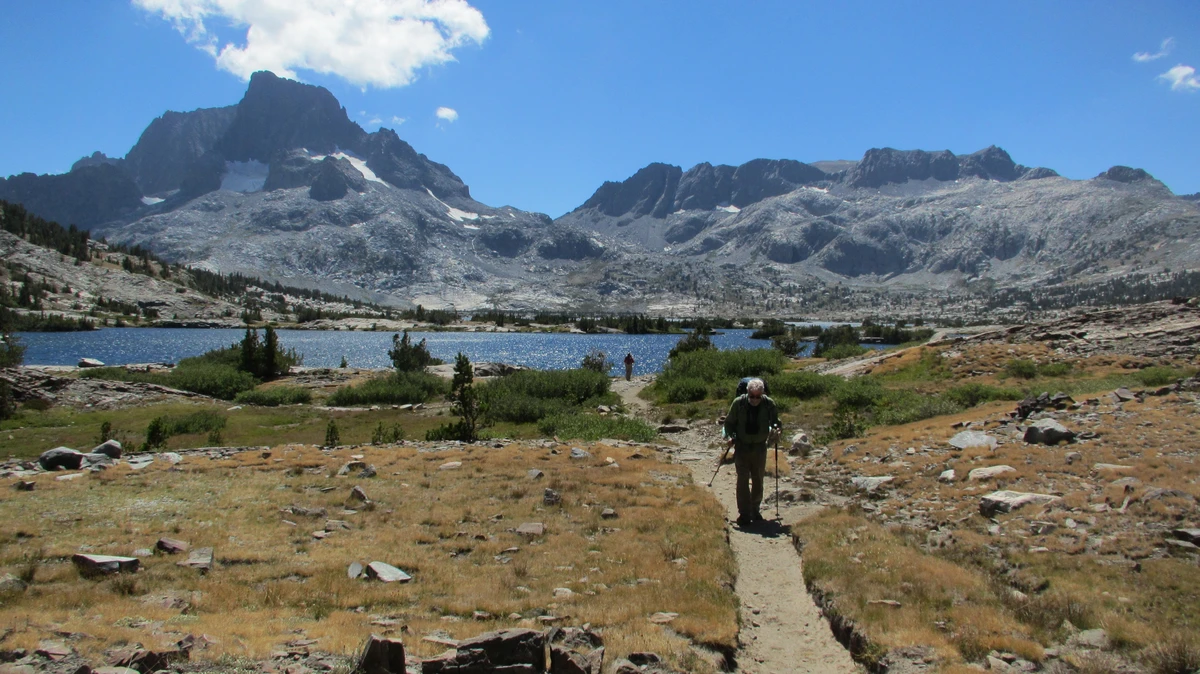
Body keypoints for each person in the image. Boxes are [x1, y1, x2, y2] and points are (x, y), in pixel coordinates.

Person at [722, 378, 781, 526]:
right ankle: (744, 513)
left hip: (760, 447)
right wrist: (730, 437)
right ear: (747, 393)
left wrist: (777, 430)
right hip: (742, 447)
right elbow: (729, 423)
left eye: (758, 396)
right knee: (742, 479)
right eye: (752, 396)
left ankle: (755, 509)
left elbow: (776, 422)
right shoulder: (738, 403)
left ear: (762, 394)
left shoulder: (769, 404)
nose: (755, 399)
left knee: (758, 479)